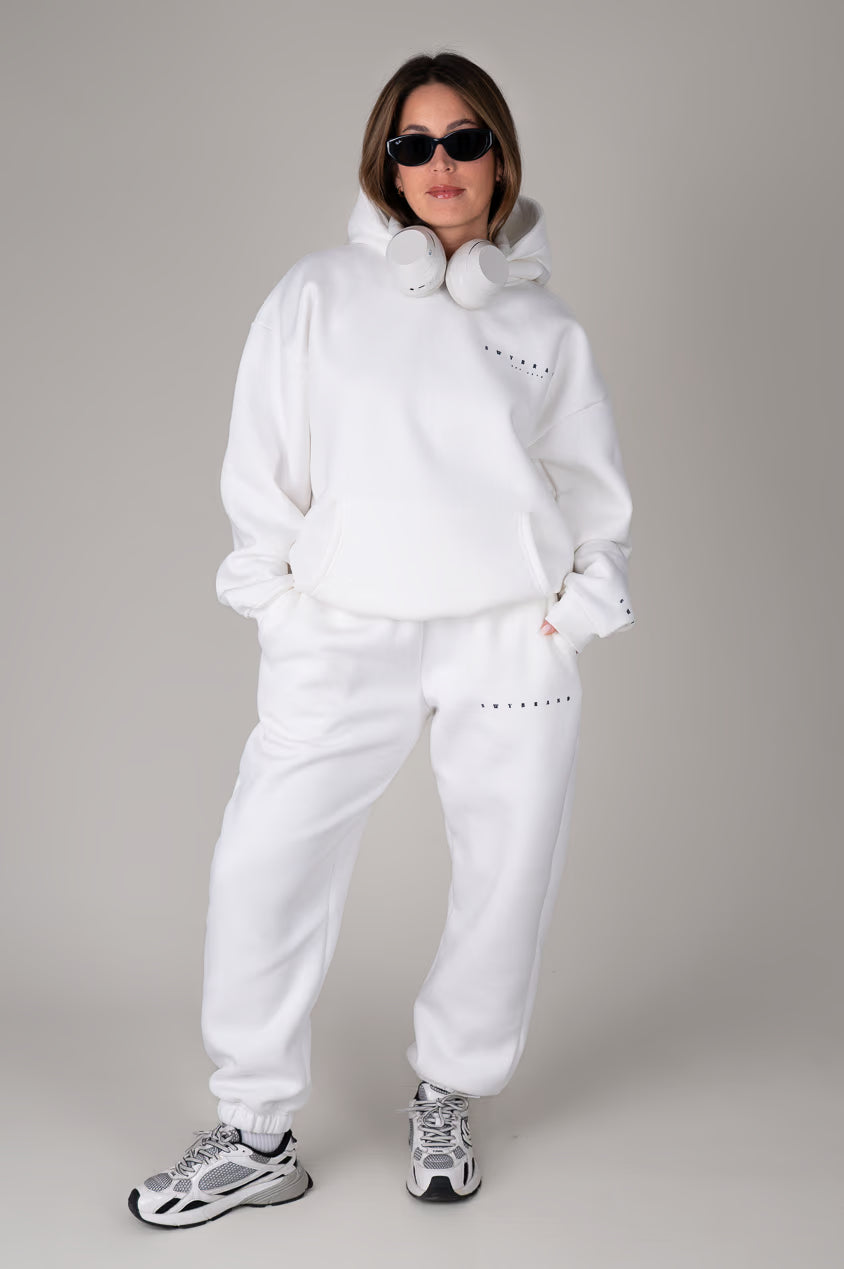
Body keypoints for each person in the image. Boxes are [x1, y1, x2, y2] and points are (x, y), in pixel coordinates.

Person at [128, 49, 636, 1229]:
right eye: (414, 144)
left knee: (507, 875)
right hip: (345, 627)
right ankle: (254, 1129)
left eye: (463, 140)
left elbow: (590, 485)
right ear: (385, 166)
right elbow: (262, 463)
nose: (440, 163)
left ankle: (449, 1089)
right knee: (266, 862)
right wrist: (281, 604)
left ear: (498, 157)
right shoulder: (316, 294)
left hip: (507, 637)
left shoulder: (542, 325)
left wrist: (577, 607)